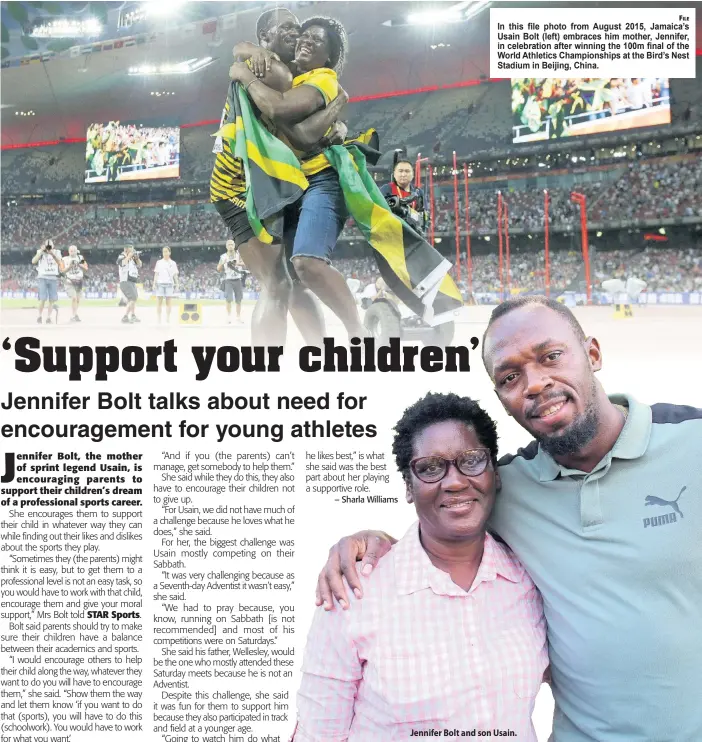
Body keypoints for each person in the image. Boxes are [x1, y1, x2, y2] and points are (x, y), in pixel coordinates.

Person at [316, 295, 702, 742]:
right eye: (510, 377)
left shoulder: (691, 443)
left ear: (593, 354)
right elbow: (442, 519)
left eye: (551, 357)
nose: (535, 384)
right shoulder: (509, 487)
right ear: (502, 398)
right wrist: (372, 539)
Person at [293, 393, 548, 740]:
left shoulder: (529, 578)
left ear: (494, 474)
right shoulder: (355, 591)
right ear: (409, 488)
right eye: (430, 468)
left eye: (471, 460)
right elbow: (318, 733)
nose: (455, 481)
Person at [211, 7, 347, 345]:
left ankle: (321, 358)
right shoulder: (269, 69)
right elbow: (281, 102)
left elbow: (301, 130)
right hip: (238, 189)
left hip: (272, 189)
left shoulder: (271, 65)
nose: (294, 32)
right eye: (284, 27)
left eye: (295, 27)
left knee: (294, 283)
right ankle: (264, 375)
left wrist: (336, 122)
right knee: (276, 284)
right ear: (265, 38)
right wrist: (246, 59)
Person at [379, 156, 428, 235]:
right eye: (400, 171)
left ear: (413, 174)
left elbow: (424, 217)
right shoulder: (386, 189)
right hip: (391, 234)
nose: (403, 174)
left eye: (407, 171)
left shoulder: (418, 193)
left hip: (413, 235)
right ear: (394, 174)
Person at [31, 238, 64, 325]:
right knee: (42, 299)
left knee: (52, 300)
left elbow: (60, 263)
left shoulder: (57, 252)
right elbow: (33, 261)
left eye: (50, 245)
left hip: (53, 277)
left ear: (53, 246)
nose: (49, 247)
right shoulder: (40, 251)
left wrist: (52, 254)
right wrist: (41, 251)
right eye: (47, 245)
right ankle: (39, 316)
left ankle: (48, 317)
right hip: (42, 277)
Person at [217, 239, 247, 324]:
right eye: (229, 244)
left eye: (232, 244)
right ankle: (228, 316)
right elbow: (218, 269)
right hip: (228, 280)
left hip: (238, 279)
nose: (230, 246)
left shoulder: (239, 255)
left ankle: (238, 317)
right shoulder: (223, 256)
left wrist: (237, 263)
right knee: (228, 299)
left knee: (239, 300)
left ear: (234, 245)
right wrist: (224, 263)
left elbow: (245, 263)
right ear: (226, 246)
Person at [61, 244, 88, 323]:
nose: (72, 252)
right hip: (69, 281)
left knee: (78, 299)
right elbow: (62, 271)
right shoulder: (64, 259)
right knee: (74, 298)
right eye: (71, 251)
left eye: (74, 251)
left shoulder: (80, 258)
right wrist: (70, 266)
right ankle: (73, 316)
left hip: (79, 281)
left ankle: (75, 314)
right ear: (68, 251)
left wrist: (79, 264)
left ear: (77, 251)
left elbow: (86, 268)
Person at [153, 246, 179, 323]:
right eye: (164, 251)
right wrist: (154, 283)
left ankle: (168, 318)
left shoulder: (173, 263)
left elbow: (175, 275)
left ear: (170, 252)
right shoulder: (159, 262)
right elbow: (156, 274)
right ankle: (159, 318)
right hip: (160, 284)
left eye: (166, 251)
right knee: (159, 303)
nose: (165, 253)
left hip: (169, 284)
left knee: (168, 303)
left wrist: (177, 284)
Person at [117, 245, 142, 324]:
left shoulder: (132, 258)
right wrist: (129, 256)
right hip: (125, 280)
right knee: (133, 298)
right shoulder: (122, 256)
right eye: (131, 250)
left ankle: (132, 315)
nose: (132, 251)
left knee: (133, 298)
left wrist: (137, 258)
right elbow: (122, 263)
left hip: (132, 280)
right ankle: (126, 316)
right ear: (126, 249)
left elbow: (140, 265)